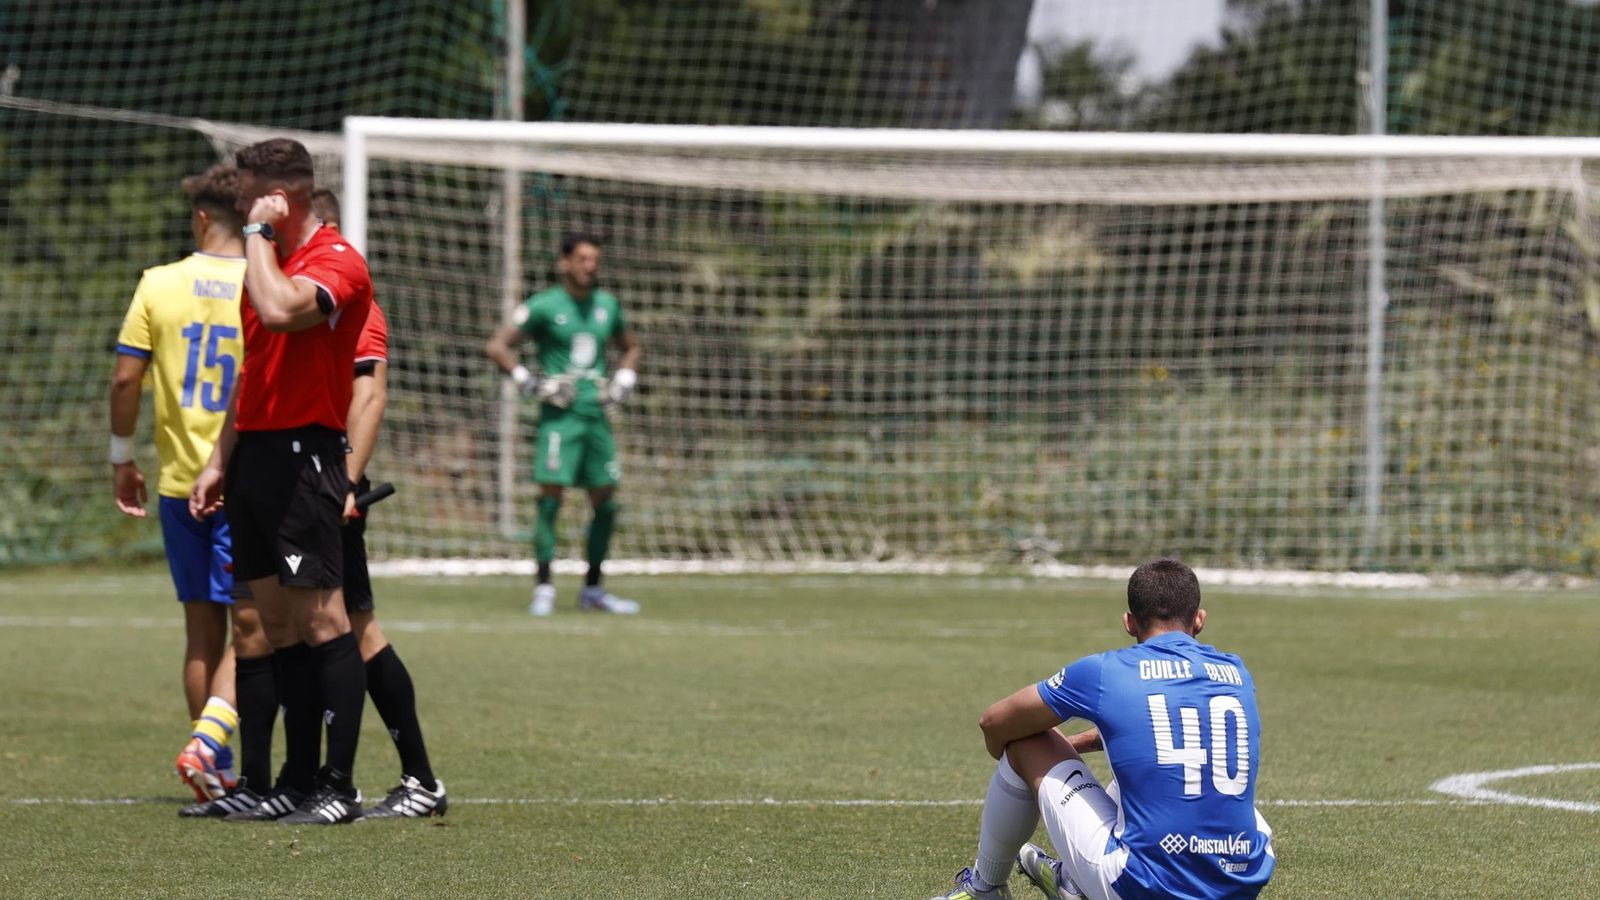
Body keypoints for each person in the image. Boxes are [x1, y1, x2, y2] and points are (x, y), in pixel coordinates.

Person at [190, 137, 374, 825]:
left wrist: (262, 235)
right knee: (275, 626)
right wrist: (218, 459)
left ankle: (339, 787)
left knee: (324, 619)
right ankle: (293, 785)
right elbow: (253, 369)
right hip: (256, 459)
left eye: (249, 195)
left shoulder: (335, 261)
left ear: (281, 196)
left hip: (306, 457)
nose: (239, 207)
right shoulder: (268, 259)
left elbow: (278, 310)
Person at [930, 559, 1274, 900]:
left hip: (1142, 888)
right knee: (1179, 778)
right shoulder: (1236, 671)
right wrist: (1076, 745)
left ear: (1129, 623)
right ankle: (1071, 882)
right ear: (1200, 620)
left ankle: (985, 887)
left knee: (1026, 739)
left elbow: (994, 722)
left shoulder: (1106, 671)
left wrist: (1021, 758)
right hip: (1239, 881)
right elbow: (1167, 734)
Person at [109, 163, 248, 803]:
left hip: (177, 483)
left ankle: (212, 771)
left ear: (199, 217)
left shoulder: (157, 284)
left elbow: (124, 380)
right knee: (258, 624)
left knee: (202, 631)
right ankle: (210, 749)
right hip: (244, 480)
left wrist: (122, 458)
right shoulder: (264, 287)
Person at [485, 232, 643, 617]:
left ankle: (593, 590)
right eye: (583, 259)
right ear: (565, 262)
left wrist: (624, 380)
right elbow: (497, 346)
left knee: (606, 503)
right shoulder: (544, 305)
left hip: (597, 417)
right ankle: (544, 588)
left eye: (595, 259)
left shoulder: (607, 305)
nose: (591, 266)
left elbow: (631, 346)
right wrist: (531, 382)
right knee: (550, 500)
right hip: (560, 418)